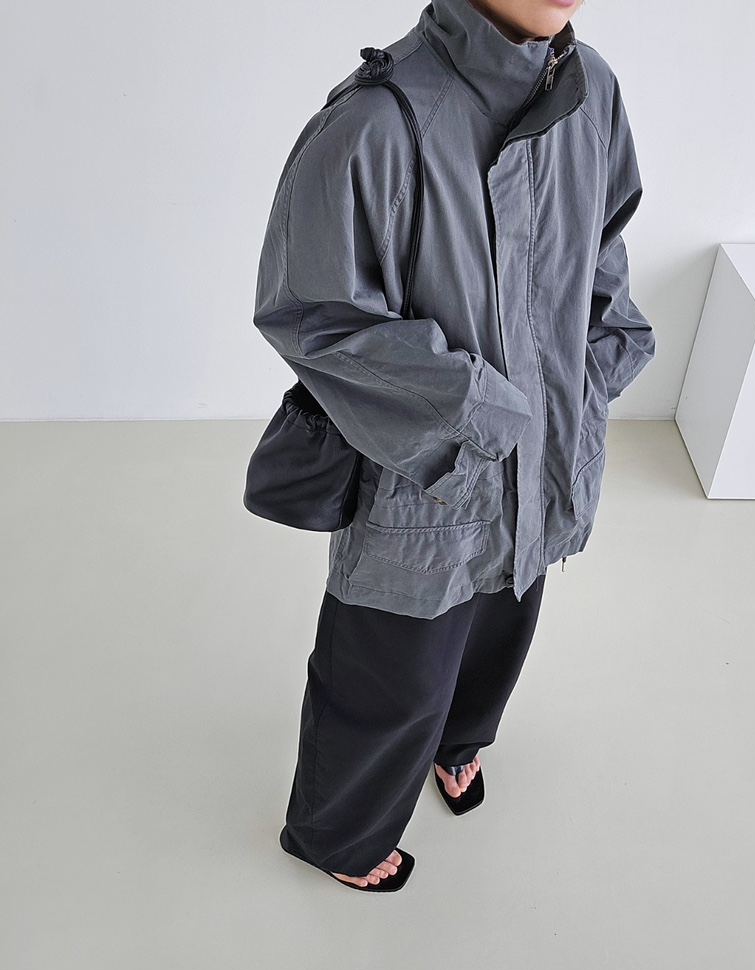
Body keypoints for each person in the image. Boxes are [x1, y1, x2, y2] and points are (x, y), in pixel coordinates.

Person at [252, 0, 655, 890]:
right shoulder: (377, 120)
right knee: (389, 673)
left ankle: (460, 738)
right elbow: (312, 315)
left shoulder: (590, 89)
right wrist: (483, 411)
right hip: (423, 478)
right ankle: (339, 837)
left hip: (545, 456)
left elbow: (604, 240)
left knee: (504, 622)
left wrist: (593, 367)